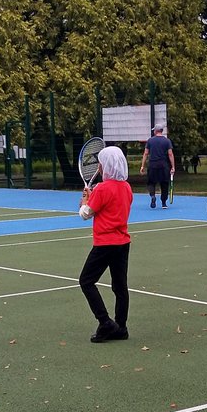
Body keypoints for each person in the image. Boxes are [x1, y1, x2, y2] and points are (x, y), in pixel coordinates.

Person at [78, 146, 133, 342]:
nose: (99, 166)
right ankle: (121, 327)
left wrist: (85, 199)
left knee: (86, 281)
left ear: (106, 165)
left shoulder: (102, 188)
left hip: (104, 243)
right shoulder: (126, 187)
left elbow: (85, 213)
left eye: (100, 162)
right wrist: (92, 196)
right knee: (120, 287)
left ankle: (105, 322)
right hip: (122, 242)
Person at [139, 126, 175, 209]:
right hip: (163, 165)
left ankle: (152, 196)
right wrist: (173, 166)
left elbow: (146, 153)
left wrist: (142, 166)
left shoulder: (150, 140)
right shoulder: (167, 141)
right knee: (164, 183)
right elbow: (170, 154)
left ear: (156, 131)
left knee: (151, 182)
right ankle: (164, 203)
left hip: (152, 165)